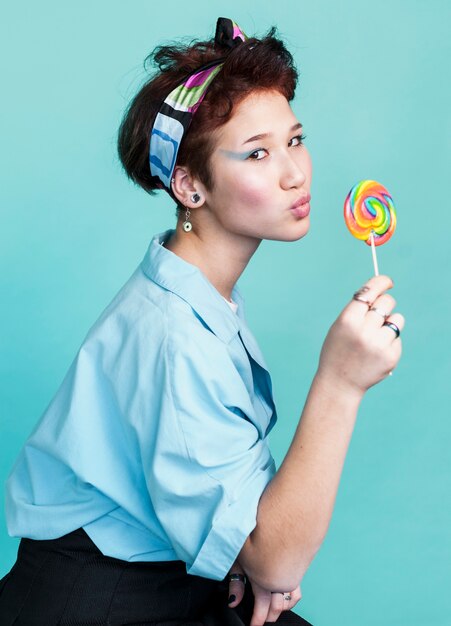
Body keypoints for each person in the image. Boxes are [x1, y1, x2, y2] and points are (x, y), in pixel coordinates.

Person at [0, 17, 404, 626]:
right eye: (258, 153)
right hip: (94, 600)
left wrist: (246, 559)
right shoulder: (173, 335)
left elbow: (254, 539)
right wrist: (341, 381)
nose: (295, 173)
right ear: (189, 185)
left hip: (172, 573)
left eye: (295, 140)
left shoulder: (194, 289)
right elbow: (278, 560)